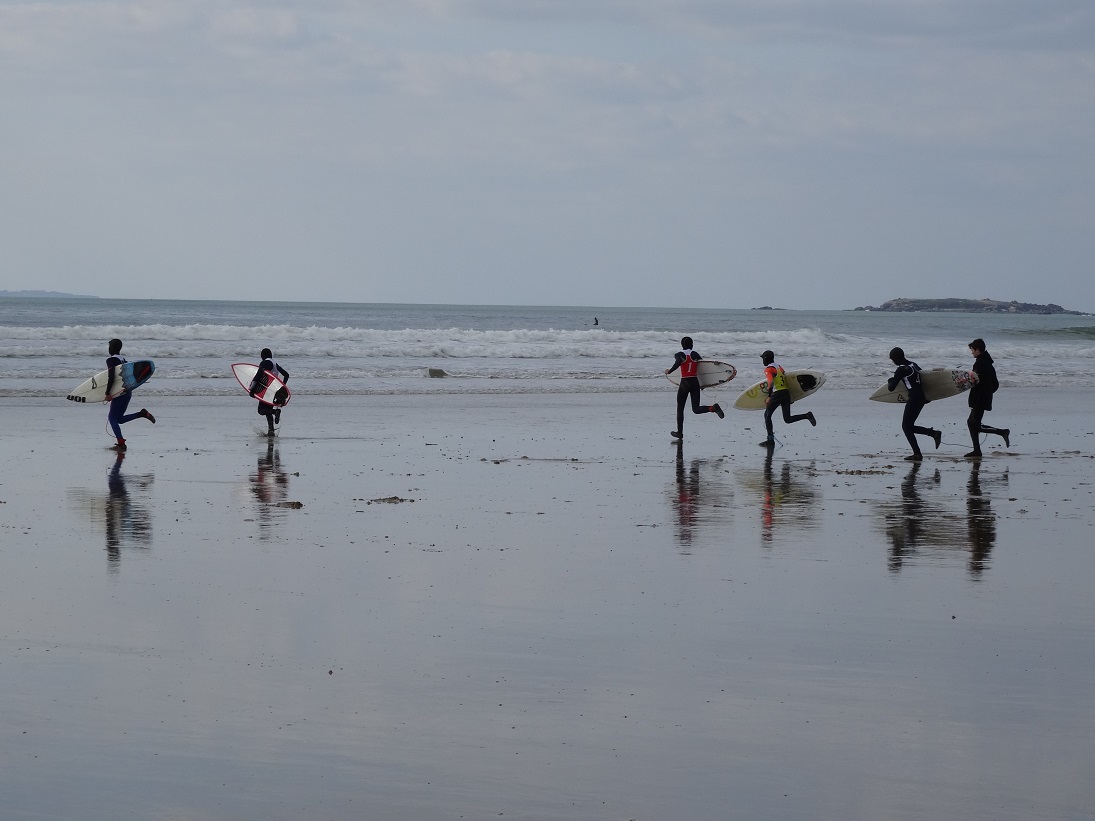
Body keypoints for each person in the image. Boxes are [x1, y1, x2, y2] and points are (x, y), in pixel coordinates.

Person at [887, 346, 941, 461]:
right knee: (909, 426)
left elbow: (891, 388)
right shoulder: (914, 365)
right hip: (921, 398)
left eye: (893, 359)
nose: (893, 362)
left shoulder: (901, 369)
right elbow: (924, 379)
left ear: (897, 358)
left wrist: (890, 380)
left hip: (914, 399)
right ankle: (933, 433)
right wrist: (929, 396)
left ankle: (917, 454)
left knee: (906, 426)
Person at [665, 336, 724, 438]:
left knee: (680, 408)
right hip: (695, 382)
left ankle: (679, 432)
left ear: (682, 345)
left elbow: (678, 362)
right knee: (696, 409)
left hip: (685, 383)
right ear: (692, 345)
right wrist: (705, 383)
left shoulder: (679, 354)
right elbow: (704, 368)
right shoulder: (695, 354)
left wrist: (669, 371)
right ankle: (712, 408)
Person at [103, 338, 155, 451]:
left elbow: (111, 377)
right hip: (127, 392)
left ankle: (121, 444)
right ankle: (142, 414)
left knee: (112, 418)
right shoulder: (124, 360)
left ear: (111, 348)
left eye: (109, 346)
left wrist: (108, 393)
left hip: (119, 393)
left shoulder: (111, 360)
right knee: (119, 419)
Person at [758, 350, 815, 448]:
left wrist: (769, 396)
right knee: (787, 419)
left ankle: (770, 440)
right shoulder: (779, 367)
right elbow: (788, 380)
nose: (762, 360)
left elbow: (771, 382)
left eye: (763, 358)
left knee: (767, 415)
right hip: (786, 393)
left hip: (777, 393)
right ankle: (807, 415)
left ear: (766, 359)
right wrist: (791, 397)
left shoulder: (769, 369)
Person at [965, 338, 1009, 458]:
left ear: (977, 350)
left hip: (979, 399)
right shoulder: (988, 363)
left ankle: (1002, 432)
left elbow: (974, 381)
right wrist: (988, 393)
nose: (972, 352)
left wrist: (981, 393)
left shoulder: (980, 363)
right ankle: (977, 450)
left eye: (972, 350)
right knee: (971, 422)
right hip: (983, 398)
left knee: (975, 424)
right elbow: (995, 384)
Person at [249, 348, 290, 436]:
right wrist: (282, 387)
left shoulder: (265, 363)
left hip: (266, 390)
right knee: (268, 410)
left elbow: (258, 375)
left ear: (263, 356)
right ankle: (271, 431)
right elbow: (286, 375)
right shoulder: (275, 364)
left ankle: (275, 412)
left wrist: (252, 389)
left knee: (261, 410)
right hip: (274, 390)